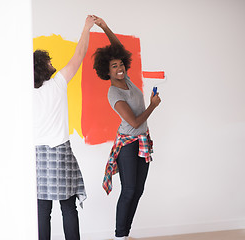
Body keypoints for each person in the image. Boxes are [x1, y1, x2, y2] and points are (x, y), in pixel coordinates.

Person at [92, 16, 161, 240]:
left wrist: (104, 27)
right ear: (107, 72)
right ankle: (119, 236)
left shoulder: (127, 80)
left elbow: (119, 49)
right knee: (129, 190)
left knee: (138, 191)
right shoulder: (114, 92)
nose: (120, 67)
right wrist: (152, 105)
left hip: (142, 141)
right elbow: (133, 122)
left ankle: (125, 234)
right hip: (128, 145)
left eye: (121, 64)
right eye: (115, 66)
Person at [33, 15, 95, 240]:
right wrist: (87, 27)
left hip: (37, 155)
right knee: (68, 207)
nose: (53, 64)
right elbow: (79, 54)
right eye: (49, 62)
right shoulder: (58, 82)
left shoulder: (25, 93)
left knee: (42, 211)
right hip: (60, 152)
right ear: (43, 66)